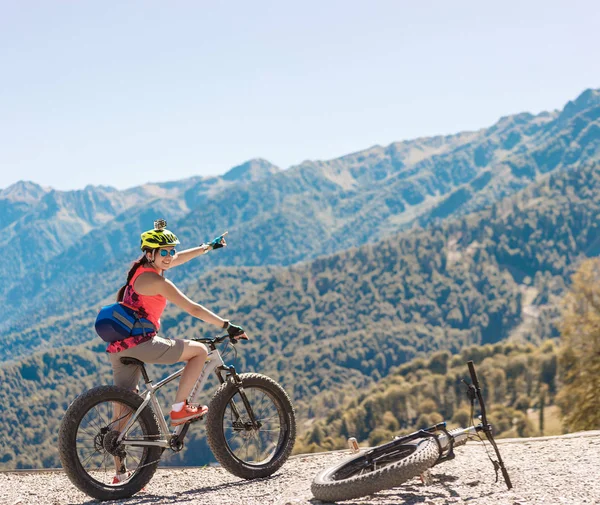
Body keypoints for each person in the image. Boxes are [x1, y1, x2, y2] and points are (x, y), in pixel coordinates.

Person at [107, 218, 247, 484]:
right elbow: (193, 308)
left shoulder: (141, 270)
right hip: (143, 344)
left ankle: (119, 474)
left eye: (171, 250)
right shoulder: (158, 282)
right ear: (150, 254)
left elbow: (178, 258)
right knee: (199, 351)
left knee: (123, 409)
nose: (170, 256)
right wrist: (227, 325)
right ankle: (179, 409)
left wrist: (207, 247)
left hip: (119, 346)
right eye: (165, 252)